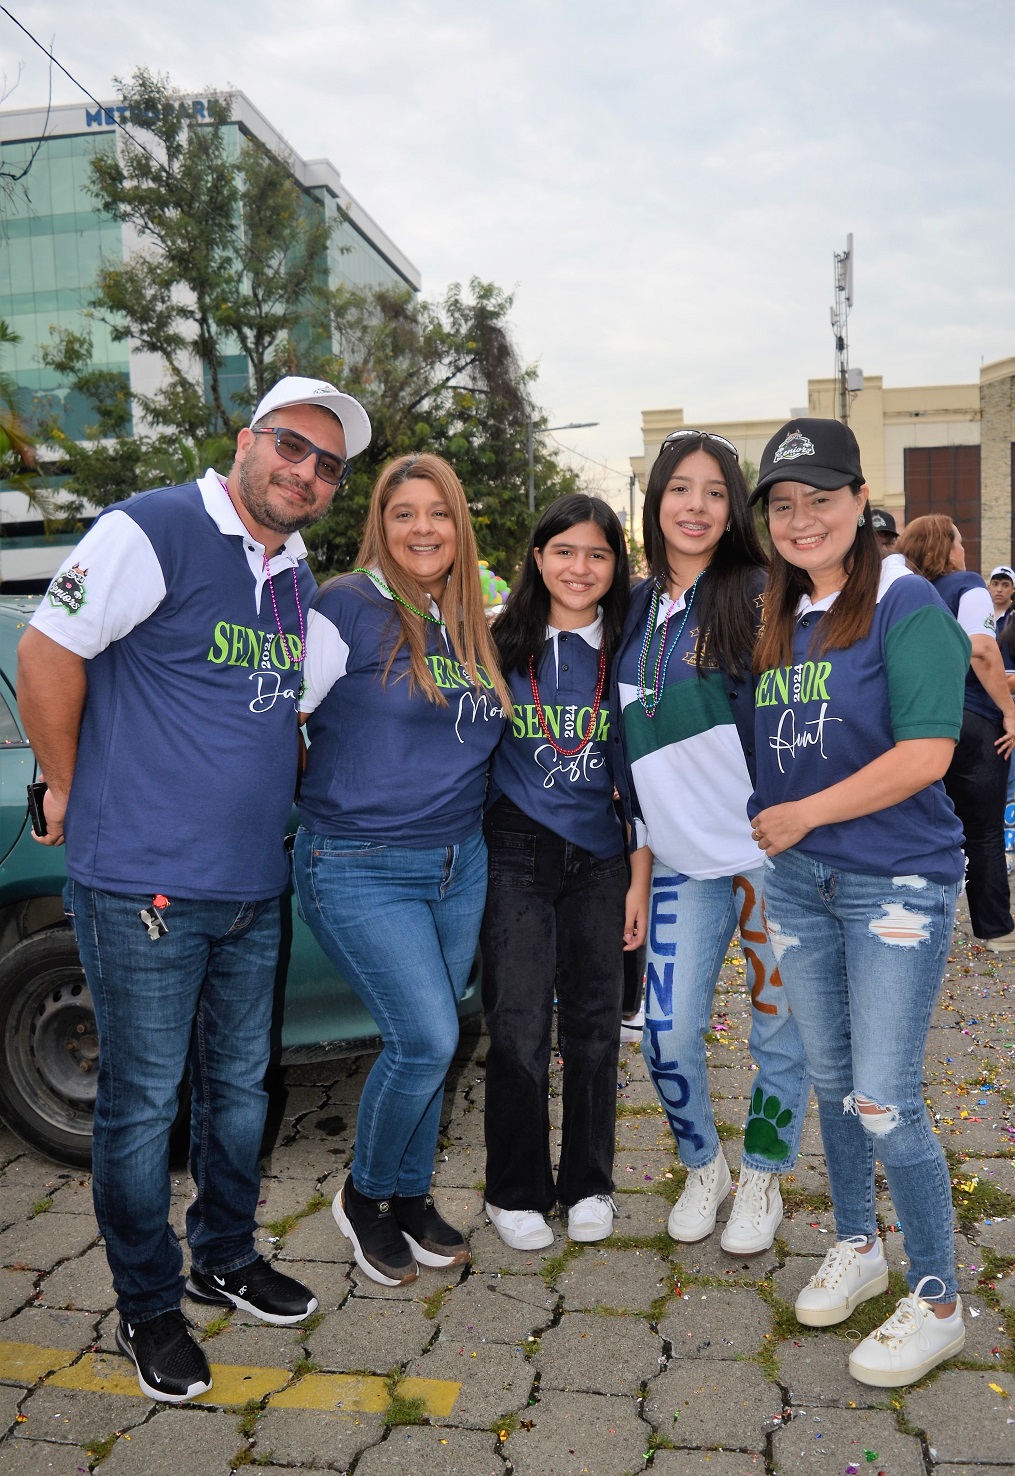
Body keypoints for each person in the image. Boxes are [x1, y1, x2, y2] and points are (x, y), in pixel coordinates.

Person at [16, 376, 370, 1402]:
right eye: (291, 447)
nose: (305, 472)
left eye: (326, 466)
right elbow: (47, 653)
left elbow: (282, 708)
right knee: (140, 1108)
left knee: (240, 1088)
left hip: (251, 886)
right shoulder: (151, 528)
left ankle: (223, 1253)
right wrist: (68, 785)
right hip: (145, 889)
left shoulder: (293, 573)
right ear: (247, 440)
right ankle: (149, 1308)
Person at [749, 418, 971, 1388]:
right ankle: (856, 1242)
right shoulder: (777, 613)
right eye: (784, 504)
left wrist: (801, 814)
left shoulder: (904, 598)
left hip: (894, 885)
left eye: (820, 499)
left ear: (857, 501)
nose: (803, 519)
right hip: (801, 884)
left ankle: (937, 1299)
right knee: (834, 1081)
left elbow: (927, 754)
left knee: (883, 1096)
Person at [292, 452, 511, 1287]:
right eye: (403, 513)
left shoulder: (463, 619)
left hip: (460, 863)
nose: (422, 529)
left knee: (431, 1041)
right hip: (358, 863)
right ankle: (362, 1197)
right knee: (425, 1038)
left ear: (459, 525)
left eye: (438, 513)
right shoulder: (344, 606)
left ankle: (412, 1200)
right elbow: (280, 720)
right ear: (378, 526)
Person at [613, 429, 809, 1256]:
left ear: (734, 508)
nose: (695, 506)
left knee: (777, 1032)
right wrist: (637, 865)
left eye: (715, 492)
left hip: (768, 856)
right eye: (679, 489)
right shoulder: (628, 604)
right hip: (678, 864)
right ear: (655, 501)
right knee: (664, 1033)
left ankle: (762, 1175)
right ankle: (704, 1166)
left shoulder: (765, 594)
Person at [480, 494, 631, 1250]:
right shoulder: (495, 641)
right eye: (564, 551)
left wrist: (638, 873)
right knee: (515, 1027)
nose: (579, 567)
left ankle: (589, 1183)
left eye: (597, 554)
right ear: (538, 558)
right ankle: (513, 1190)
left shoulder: (630, 648)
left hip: (601, 855)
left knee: (596, 1026)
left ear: (614, 567)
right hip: (515, 849)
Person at [896, 516, 1015, 951]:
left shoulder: (901, 591)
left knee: (924, 826)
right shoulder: (968, 584)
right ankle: (995, 929)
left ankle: (917, 924)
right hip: (972, 718)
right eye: (960, 542)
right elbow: (982, 649)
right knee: (983, 830)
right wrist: (1009, 711)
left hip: (916, 723)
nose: (965, 550)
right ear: (946, 548)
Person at [987, 563, 1015, 637]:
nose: (999, 590)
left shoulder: (1013, 616)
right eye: (995, 584)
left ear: (1013, 589)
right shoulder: (983, 613)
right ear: (989, 587)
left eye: (1005, 585)